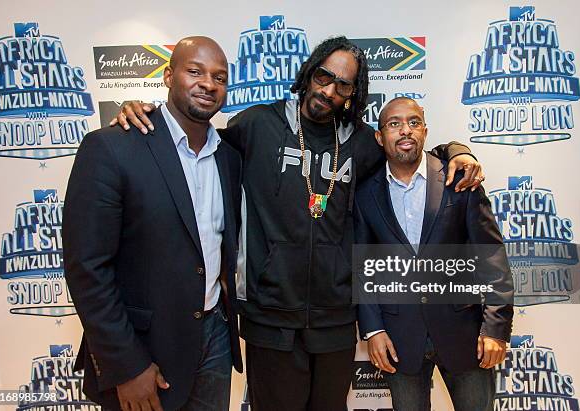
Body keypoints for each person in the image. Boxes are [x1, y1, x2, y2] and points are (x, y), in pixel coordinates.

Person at [110, 36, 484, 411]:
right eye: (324, 77)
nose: (329, 90)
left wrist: (457, 151)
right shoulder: (257, 124)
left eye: (343, 85)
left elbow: (410, 152)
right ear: (309, 73)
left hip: (335, 321)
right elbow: (196, 141)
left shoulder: (361, 143)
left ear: (353, 94)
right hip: (269, 319)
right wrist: (147, 115)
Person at [63, 36, 243, 411]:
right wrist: (125, 365)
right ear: (168, 75)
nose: (208, 84)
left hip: (214, 338)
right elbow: (87, 268)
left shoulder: (229, 156)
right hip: (143, 348)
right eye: (195, 71)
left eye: (220, 77)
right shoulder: (112, 147)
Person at [354, 97, 514, 411]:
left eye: (413, 122)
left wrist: (495, 327)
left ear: (425, 131)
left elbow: (491, 256)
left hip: (465, 335)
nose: (405, 131)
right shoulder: (365, 194)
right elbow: (364, 269)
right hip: (399, 339)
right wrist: (373, 329)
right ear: (380, 136)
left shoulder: (460, 181)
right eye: (394, 124)